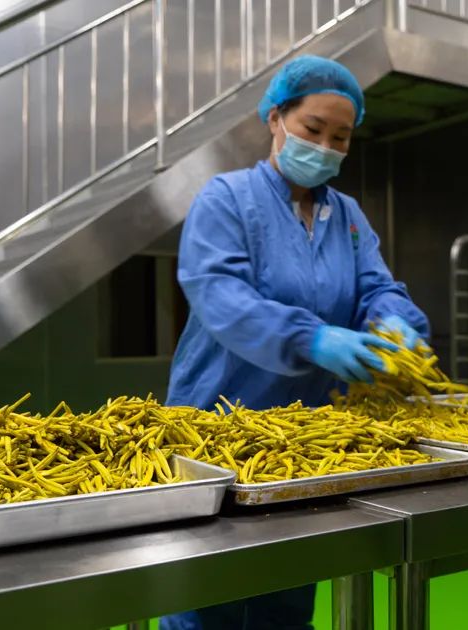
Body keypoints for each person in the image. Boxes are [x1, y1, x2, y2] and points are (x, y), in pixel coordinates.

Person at [159, 55, 429, 630]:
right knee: (207, 597)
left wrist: (394, 321)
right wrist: (311, 338)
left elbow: (376, 287)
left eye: (341, 137)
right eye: (313, 128)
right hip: (217, 429)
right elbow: (218, 292)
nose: (325, 147)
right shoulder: (227, 198)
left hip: (304, 443)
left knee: (286, 590)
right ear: (276, 118)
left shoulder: (347, 216)